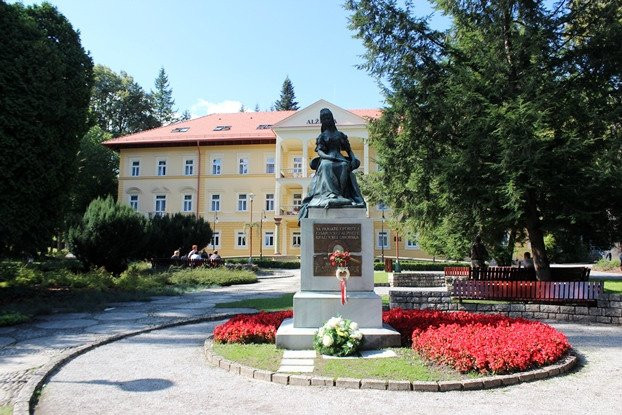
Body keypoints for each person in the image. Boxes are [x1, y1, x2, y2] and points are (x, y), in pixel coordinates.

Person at [298, 108, 366, 221]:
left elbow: (348, 150)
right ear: (322, 121)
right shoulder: (322, 136)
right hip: (326, 158)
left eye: (328, 118)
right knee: (326, 166)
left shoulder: (340, 135)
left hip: (339, 158)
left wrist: (353, 159)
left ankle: (341, 195)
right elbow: (320, 151)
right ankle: (331, 194)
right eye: (324, 119)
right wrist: (328, 157)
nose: (326, 120)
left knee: (344, 166)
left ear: (332, 119)